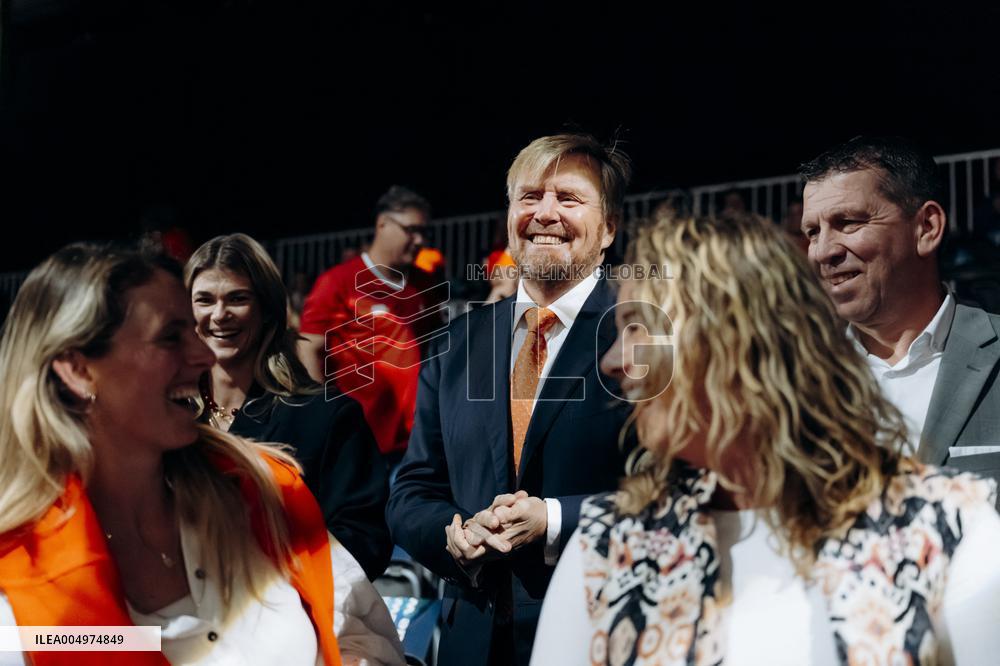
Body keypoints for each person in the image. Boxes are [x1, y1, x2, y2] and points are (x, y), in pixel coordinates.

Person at [533, 212, 1000, 666]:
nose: (612, 362)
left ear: (732, 340)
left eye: (637, 326)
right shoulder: (605, 549)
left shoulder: (948, 528)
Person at [0, 243, 404, 666]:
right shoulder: (20, 576)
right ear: (78, 370)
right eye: (171, 336)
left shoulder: (264, 487)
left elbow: (359, 634)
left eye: (237, 299)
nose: (204, 353)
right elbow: (134, 645)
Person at [386, 133, 635, 666]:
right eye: (529, 197)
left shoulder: (639, 336)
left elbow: (673, 492)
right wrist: (450, 533)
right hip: (468, 641)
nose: (544, 213)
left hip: (597, 638)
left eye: (568, 198)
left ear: (609, 227)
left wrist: (555, 518)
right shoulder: (456, 343)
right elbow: (413, 489)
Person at [799, 136, 1000, 497]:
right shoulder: (794, 380)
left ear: (927, 228)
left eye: (848, 222)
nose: (823, 251)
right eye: (813, 232)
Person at [186, 233, 392, 580]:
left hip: (283, 617)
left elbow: (365, 542)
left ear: (266, 310)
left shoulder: (325, 416)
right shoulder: (164, 417)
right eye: (204, 300)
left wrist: (269, 579)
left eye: (237, 299)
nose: (220, 315)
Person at [297, 185, 443, 465]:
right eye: (411, 230)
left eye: (424, 232)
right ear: (382, 224)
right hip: (358, 439)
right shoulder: (338, 282)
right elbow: (310, 348)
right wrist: (322, 417)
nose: (419, 240)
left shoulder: (426, 286)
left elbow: (436, 349)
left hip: (415, 440)